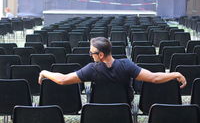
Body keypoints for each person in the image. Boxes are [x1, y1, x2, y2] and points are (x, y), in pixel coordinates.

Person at [38, 37, 187, 99]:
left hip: (98, 110)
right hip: (124, 110)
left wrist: (45, 72)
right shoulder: (126, 64)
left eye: (92, 53)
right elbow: (154, 78)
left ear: (101, 54)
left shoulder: (91, 69)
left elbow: (63, 80)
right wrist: (174, 74)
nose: (91, 55)